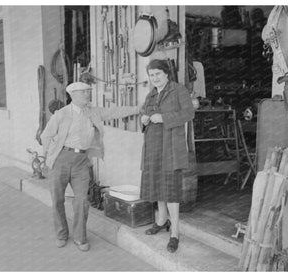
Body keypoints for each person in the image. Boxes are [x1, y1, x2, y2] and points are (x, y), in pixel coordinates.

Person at [41, 82, 142, 251]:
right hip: (61, 159)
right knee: (57, 200)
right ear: (73, 95)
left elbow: (114, 112)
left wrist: (137, 108)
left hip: (81, 161)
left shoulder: (93, 112)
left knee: (82, 201)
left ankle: (80, 237)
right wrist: (48, 156)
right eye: (84, 92)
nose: (88, 95)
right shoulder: (62, 114)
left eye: (88, 92)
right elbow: (46, 136)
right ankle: (61, 234)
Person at [140, 59, 195, 253]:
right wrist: (144, 119)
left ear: (166, 74)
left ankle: (175, 233)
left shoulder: (179, 91)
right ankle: (161, 221)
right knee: (157, 184)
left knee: (171, 189)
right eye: (152, 75)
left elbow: (189, 114)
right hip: (154, 146)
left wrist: (163, 118)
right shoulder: (151, 95)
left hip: (171, 146)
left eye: (158, 74)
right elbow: (145, 113)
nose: (154, 78)